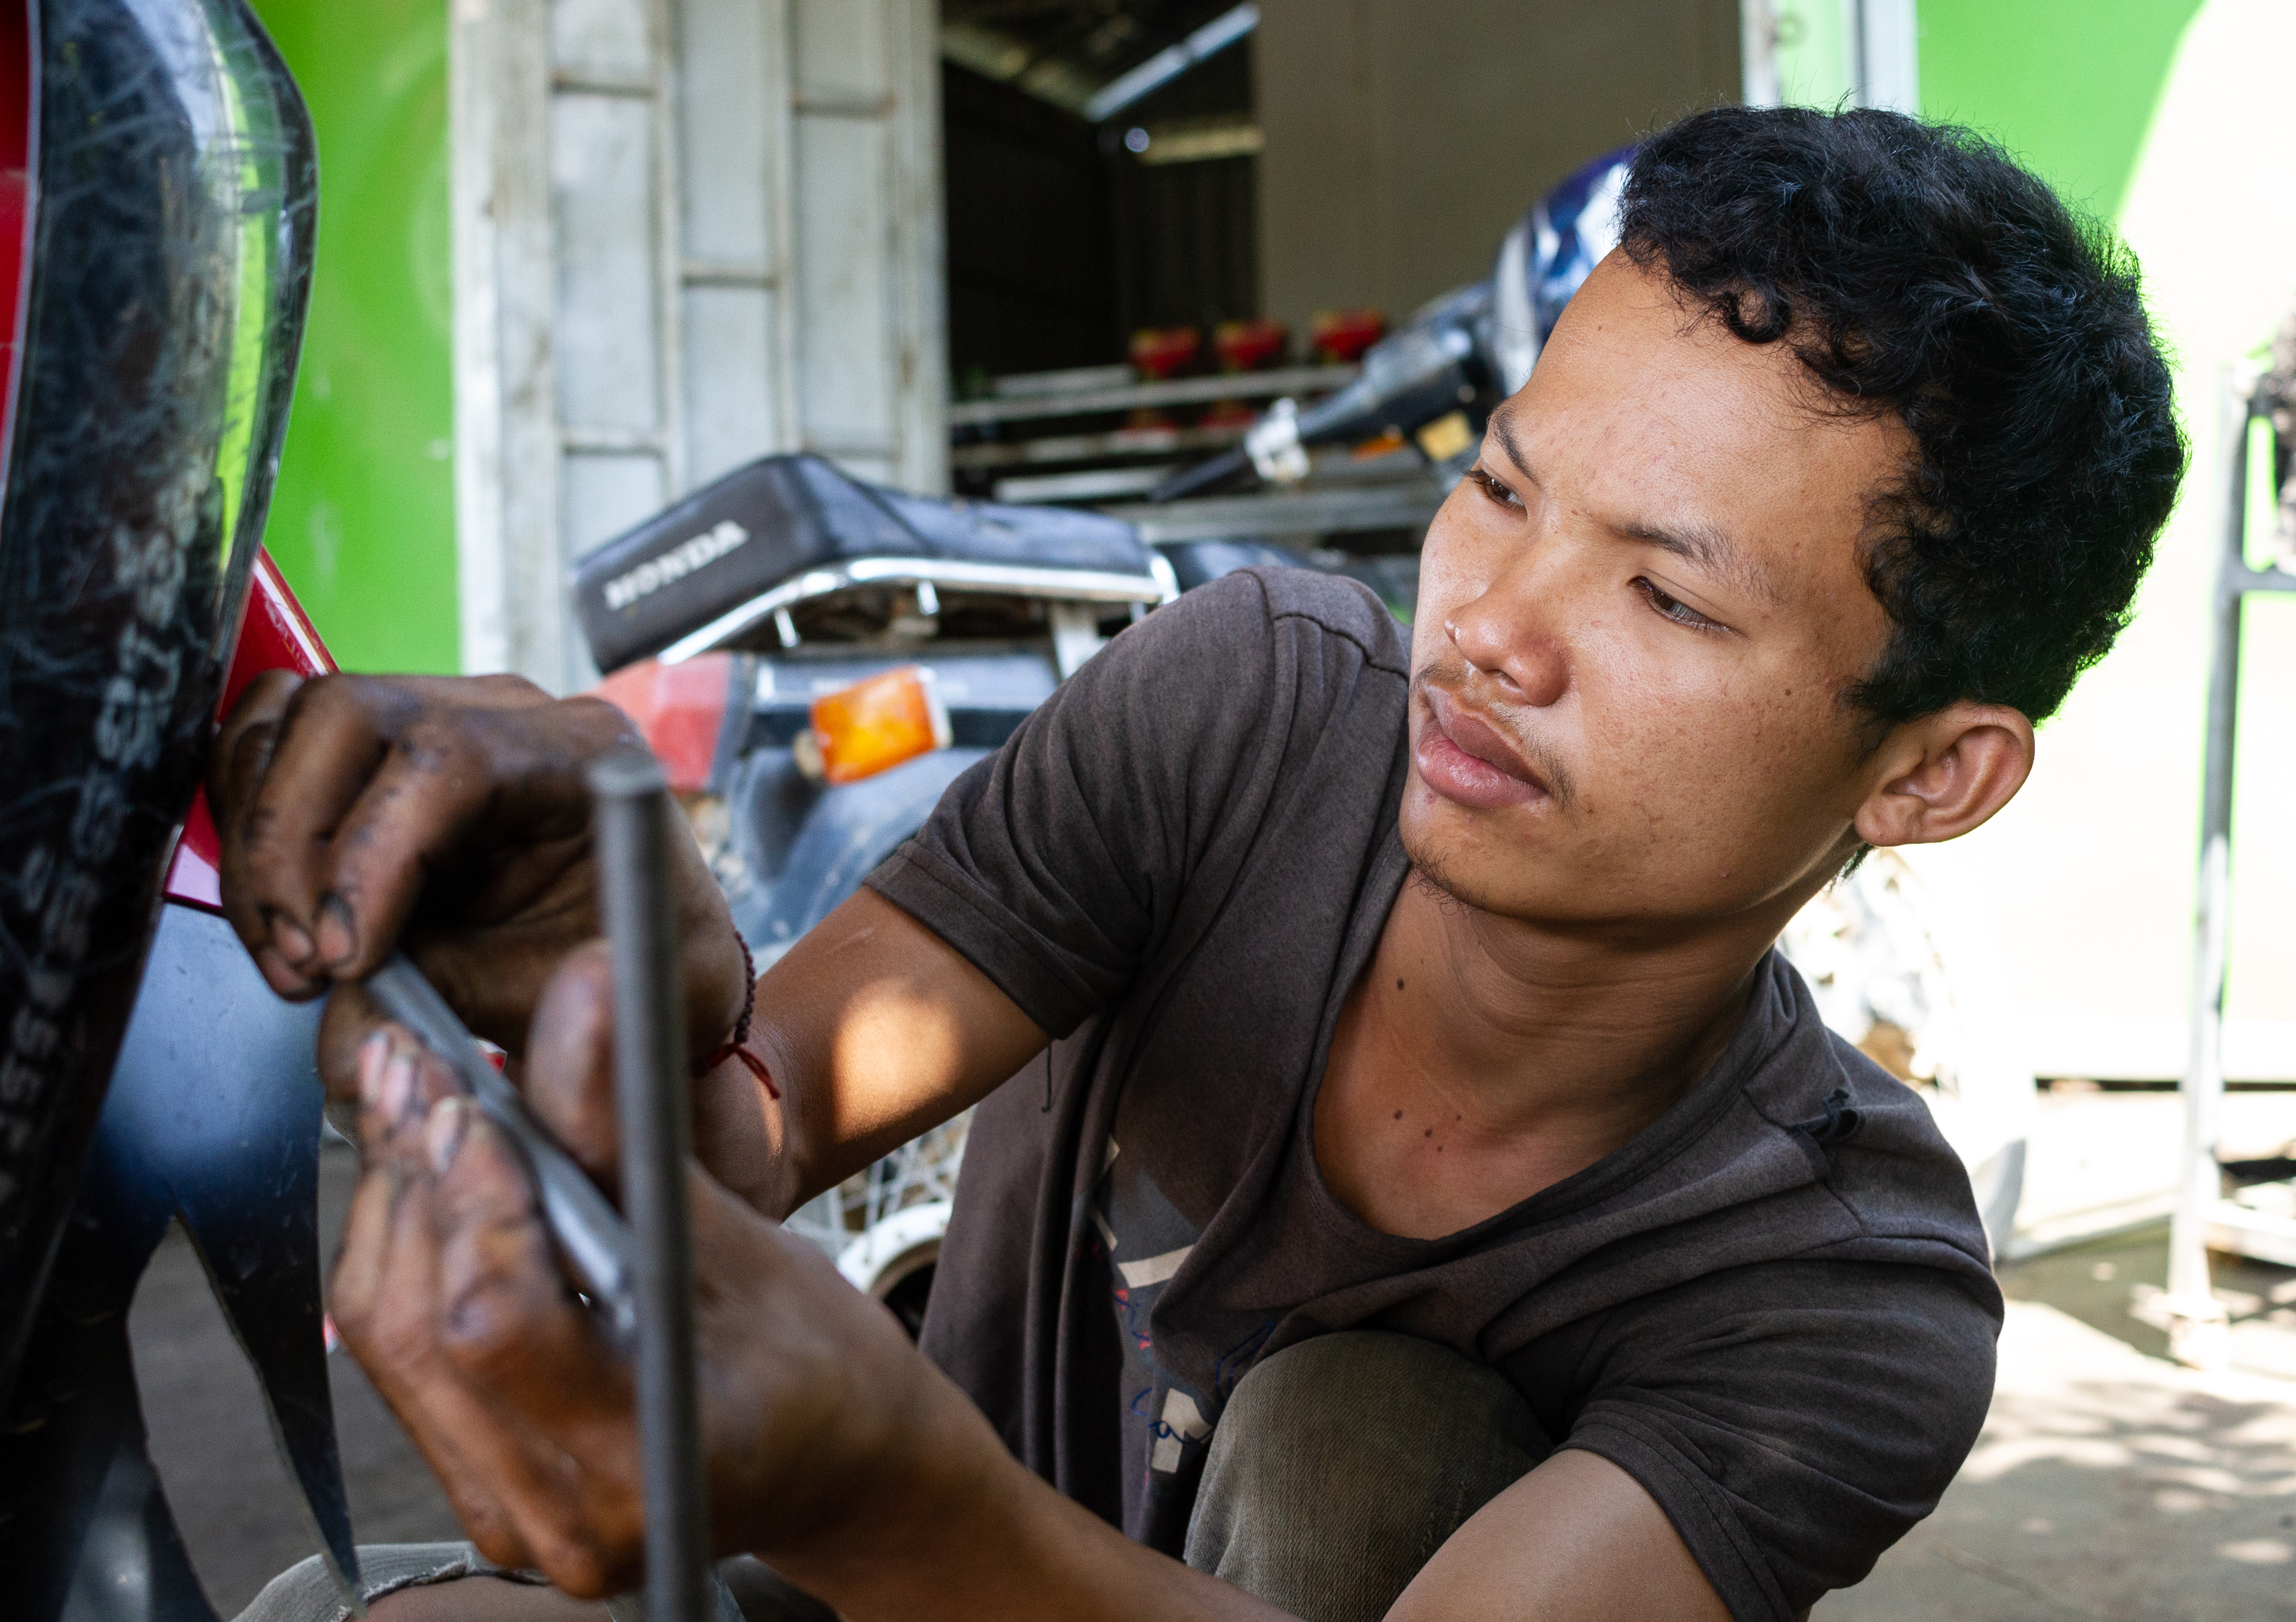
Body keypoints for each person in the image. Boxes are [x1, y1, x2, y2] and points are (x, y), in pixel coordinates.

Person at [224, 104, 2182, 1622]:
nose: (1493, 621)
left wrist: (893, 1504)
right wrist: (620, 1001)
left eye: (1665, 595)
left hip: (923, 1551)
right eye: (1498, 488)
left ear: (1931, 776)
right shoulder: (1249, 715)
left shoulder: (1841, 1288)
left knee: (1369, 1438)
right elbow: (750, 1133)